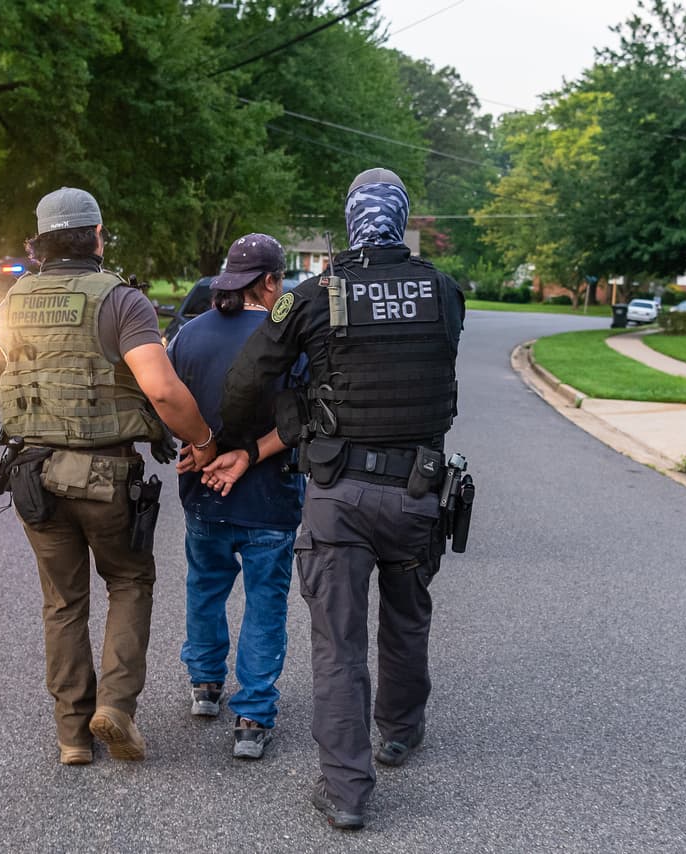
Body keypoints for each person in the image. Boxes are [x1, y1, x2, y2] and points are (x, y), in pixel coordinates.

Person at [214, 168, 465, 830]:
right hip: (418, 491)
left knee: (337, 641)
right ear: (401, 216)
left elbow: (247, 378)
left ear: (349, 221)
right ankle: (399, 733)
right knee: (408, 618)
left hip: (338, 495)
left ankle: (348, 791)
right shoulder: (441, 290)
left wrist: (232, 439)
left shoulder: (311, 295)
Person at [0, 186, 217, 766]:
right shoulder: (121, 300)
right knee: (128, 580)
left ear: (40, 243)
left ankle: (72, 736)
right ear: (96, 236)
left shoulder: (11, 301)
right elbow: (163, 390)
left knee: (63, 604)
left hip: (32, 476)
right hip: (106, 476)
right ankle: (115, 709)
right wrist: (205, 442)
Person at [166, 233, 304, 760]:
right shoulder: (288, 339)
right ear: (269, 282)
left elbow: (164, 399)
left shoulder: (189, 335)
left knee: (205, 588)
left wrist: (197, 446)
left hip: (204, 494)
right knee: (265, 605)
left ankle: (204, 686)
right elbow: (302, 421)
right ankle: (252, 715)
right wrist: (249, 453)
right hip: (270, 496)